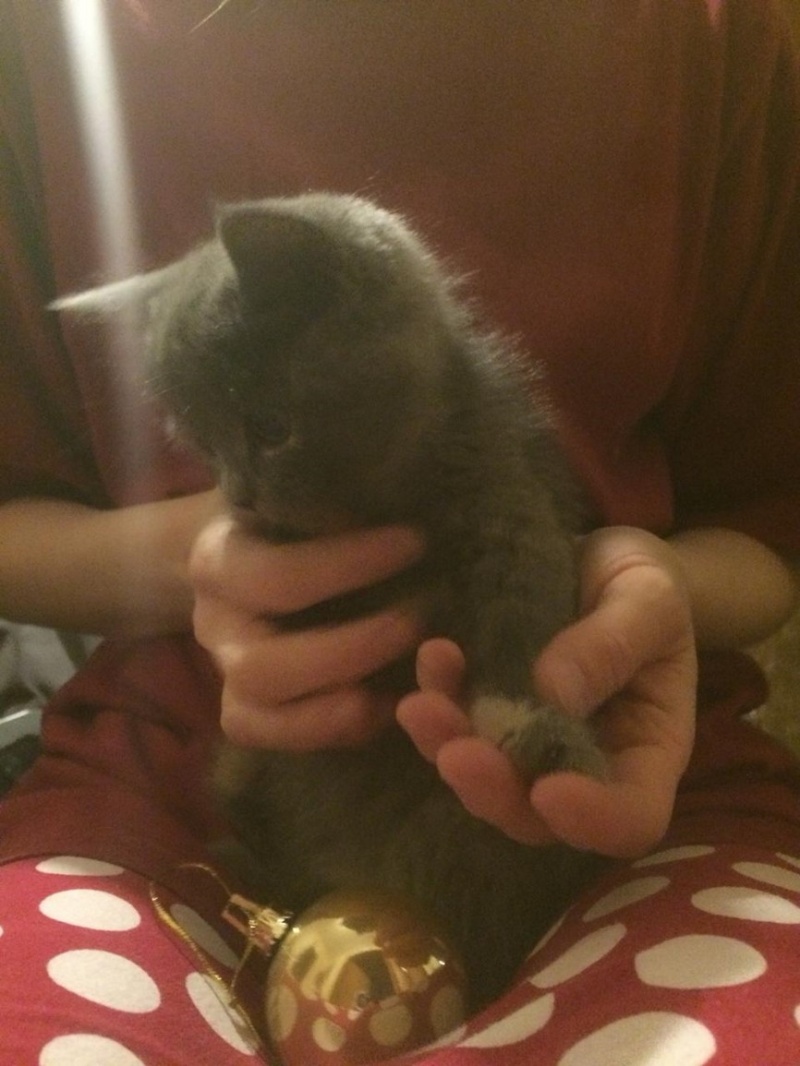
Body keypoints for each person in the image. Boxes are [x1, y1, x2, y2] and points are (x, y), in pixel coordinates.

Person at [0, 1, 798, 1063]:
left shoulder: (718, 37)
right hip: (167, 785)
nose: (245, 487)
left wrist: (616, 587)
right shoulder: (48, 42)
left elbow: (767, 531)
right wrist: (203, 558)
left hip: (628, 768)